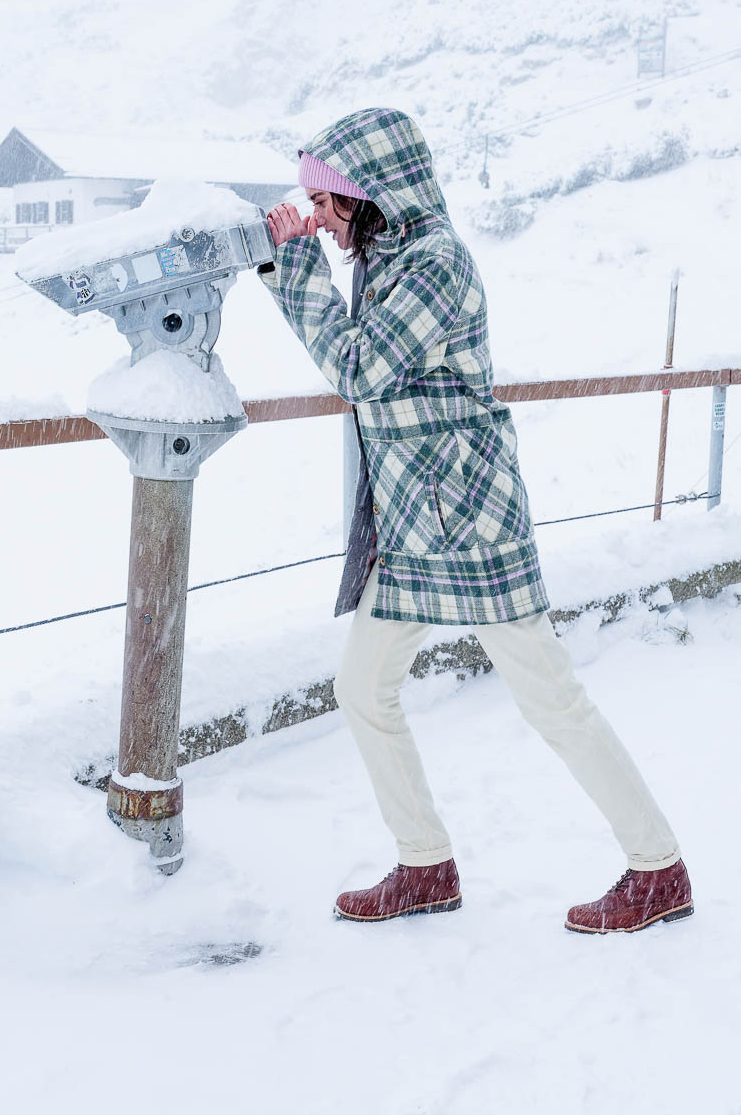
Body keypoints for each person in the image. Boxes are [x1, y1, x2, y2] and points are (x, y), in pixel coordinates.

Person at [258, 107, 692, 934]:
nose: (316, 218)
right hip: (413, 527)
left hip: (466, 520)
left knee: (550, 700)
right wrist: (298, 268)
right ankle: (424, 865)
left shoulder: (435, 264)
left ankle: (658, 868)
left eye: (328, 203)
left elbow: (359, 367)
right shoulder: (387, 260)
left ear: (375, 196)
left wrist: (296, 268)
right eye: (311, 202)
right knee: (362, 690)